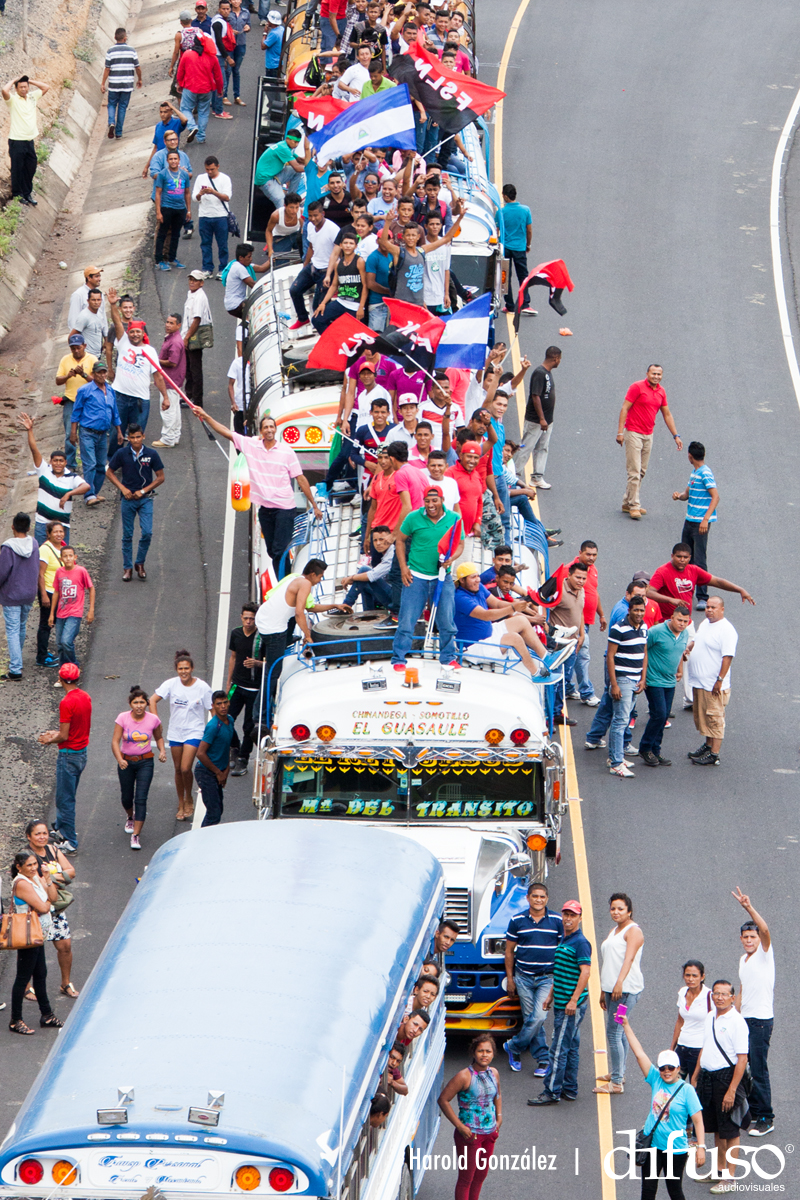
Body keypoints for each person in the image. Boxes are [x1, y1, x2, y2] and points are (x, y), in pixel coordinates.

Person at [190, 409, 322, 576]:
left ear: (275, 429)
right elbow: (225, 432)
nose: (269, 430)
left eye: (272, 427)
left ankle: (285, 583)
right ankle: (286, 578)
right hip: (266, 509)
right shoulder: (251, 446)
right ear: (261, 431)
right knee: (272, 551)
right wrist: (206, 415)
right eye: (266, 427)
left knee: (279, 550)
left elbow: (300, 478)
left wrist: (314, 505)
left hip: (284, 509)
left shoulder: (287, 452)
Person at [621, 1017, 706, 1200]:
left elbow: (698, 1121)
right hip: (652, 1144)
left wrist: (701, 1147)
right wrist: (626, 1025)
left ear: (678, 1068)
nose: (666, 1071)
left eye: (671, 1068)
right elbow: (639, 1054)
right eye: (663, 1068)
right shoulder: (656, 1079)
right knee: (648, 1190)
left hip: (675, 1149)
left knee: (674, 1191)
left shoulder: (687, 1090)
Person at [390, 486, 463, 670]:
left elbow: (460, 544)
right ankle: (398, 659)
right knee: (407, 620)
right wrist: (403, 568)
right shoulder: (413, 517)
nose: (431, 504)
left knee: (447, 620)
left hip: (443, 577)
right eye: (427, 501)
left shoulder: (454, 518)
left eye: (434, 500)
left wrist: (451, 558)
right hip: (416, 577)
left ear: (442, 500)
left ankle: (448, 658)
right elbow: (400, 540)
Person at [528, 900, 591, 1105]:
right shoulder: (566, 939)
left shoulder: (580, 942)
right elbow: (561, 971)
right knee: (571, 1046)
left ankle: (551, 1091)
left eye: (573, 915)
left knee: (557, 1049)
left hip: (569, 1007)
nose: (568, 919)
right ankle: (569, 1089)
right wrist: (550, 996)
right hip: (562, 1001)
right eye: (566, 914)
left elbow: (585, 973)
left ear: (580, 918)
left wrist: (573, 1001)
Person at [691, 980, 750, 1194]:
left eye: (725, 994)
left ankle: (730, 1177)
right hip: (708, 1078)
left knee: (730, 1129)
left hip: (726, 1079)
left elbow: (742, 1059)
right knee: (716, 1128)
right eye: (716, 993)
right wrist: (695, 1076)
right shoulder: (710, 1017)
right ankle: (718, 1170)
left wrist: (732, 1090)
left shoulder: (737, 1022)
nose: (720, 997)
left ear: (732, 998)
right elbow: (705, 1047)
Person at [503, 881, 563, 1077]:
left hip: (547, 978)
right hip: (523, 979)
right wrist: (510, 979)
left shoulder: (557, 920)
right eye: (535, 896)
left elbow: (563, 951)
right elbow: (509, 951)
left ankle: (513, 1046)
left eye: (542, 897)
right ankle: (543, 1060)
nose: (538, 900)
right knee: (532, 1020)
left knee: (538, 1017)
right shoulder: (517, 920)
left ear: (547, 899)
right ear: (527, 898)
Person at [453, 563, 548, 679]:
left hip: (488, 635)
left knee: (521, 620)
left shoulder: (478, 587)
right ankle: (536, 673)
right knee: (514, 638)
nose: (478, 579)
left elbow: (497, 603)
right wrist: (513, 608)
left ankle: (546, 656)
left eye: (477, 576)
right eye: (473, 577)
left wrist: (518, 606)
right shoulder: (460, 597)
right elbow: (486, 615)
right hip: (473, 647)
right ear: (462, 580)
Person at [150, 650, 213, 820]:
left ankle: (189, 797)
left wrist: (214, 733)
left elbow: (212, 710)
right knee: (177, 769)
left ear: (192, 668)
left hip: (194, 731)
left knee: (186, 768)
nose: (183, 672)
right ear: (176, 669)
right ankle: (181, 802)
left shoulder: (202, 687)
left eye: (186, 668)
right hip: (176, 732)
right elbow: (152, 700)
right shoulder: (171, 684)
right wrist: (156, 721)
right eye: (180, 669)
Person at [438, 1035, 502, 1200]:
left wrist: (499, 1117)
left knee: (480, 1176)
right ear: (473, 1053)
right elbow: (443, 1100)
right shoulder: (464, 1076)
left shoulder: (494, 1073)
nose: (484, 1055)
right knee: (466, 1179)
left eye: (488, 1051)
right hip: (469, 1135)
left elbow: (497, 1095)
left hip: (489, 1134)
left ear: (493, 1053)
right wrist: (460, 1126)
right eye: (480, 1051)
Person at [732, 887, 774, 1137]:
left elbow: (766, 930)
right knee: (745, 1066)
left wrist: (748, 907)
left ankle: (767, 1117)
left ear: (759, 940)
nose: (749, 940)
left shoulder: (764, 954)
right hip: (745, 1020)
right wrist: (733, 1016)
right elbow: (742, 989)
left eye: (753, 937)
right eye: (745, 937)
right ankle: (755, 1111)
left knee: (758, 1069)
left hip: (760, 1021)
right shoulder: (743, 960)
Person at [594, 892, 645, 1094]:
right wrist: (603, 990)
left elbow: (628, 959)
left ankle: (616, 1082)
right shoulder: (614, 930)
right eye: (613, 908)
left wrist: (619, 983)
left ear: (629, 911)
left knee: (614, 1032)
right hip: (611, 990)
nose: (616, 912)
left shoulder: (634, 931)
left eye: (620, 909)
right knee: (619, 1031)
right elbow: (608, 962)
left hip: (624, 992)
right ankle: (619, 1072)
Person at [38, 662, 92, 854]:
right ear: (77, 677)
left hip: (68, 755)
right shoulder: (85, 697)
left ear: (61, 679)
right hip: (81, 752)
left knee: (64, 799)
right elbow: (77, 727)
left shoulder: (66, 702)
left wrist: (50, 739)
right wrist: (57, 734)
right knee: (67, 794)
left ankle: (70, 840)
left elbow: (64, 735)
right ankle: (59, 826)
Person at [617, 365, 683, 520]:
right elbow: (625, 408)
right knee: (634, 471)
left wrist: (676, 435)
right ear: (647, 373)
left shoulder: (661, 392)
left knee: (641, 471)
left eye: (659, 374)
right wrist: (620, 432)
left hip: (648, 434)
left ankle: (627, 501)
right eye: (653, 373)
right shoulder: (636, 387)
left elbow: (667, 414)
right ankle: (634, 505)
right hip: (633, 432)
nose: (656, 376)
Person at [7, 852, 62, 1036]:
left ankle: (47, 1015)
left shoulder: (35, 878)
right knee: (23, 978)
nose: (33, 868)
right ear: (19, 867)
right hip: (28, 936)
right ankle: (15, 1020)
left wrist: (47, 878)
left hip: (38, 935)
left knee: (40, 974)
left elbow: (53, 897)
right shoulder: (22, 883)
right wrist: (46, 900)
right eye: (29, 865)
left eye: (34, 864)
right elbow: (44, 907)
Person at [24, 819, 78, 999]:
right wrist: (58, 877)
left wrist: (50, 878)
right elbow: (30, 879)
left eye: (45, 833)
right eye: (37, 834)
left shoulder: (53, 850)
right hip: (35, 908)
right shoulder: (25, 855)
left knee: (65, 945)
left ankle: (65, 983)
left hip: (55, 906)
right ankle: (26, 986)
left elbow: (71, 871)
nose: (42, 837)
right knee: (30, 950)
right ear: (29, 836)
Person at [105, 426, 165, 582]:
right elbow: (109, 472)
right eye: (132, 437)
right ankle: (127, 567)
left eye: (138, 437)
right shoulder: (122, 453)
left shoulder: (151, 454)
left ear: (143, 436)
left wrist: (143, 491)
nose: (135, 440)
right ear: (128, 438)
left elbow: (160, 477)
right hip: (128, 499)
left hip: (145, 499)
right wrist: (123, 489)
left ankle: (140, 563)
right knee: (127, 534)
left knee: (147, 532)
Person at [685, 597, 739, 767]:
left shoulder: (727, 630)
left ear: (722, 609)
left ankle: (714, 754)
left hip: (713, 685)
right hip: (700, 683)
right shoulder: (705, 624)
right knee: (705, 717)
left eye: (713, 607)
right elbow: (697, 640)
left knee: (715, 719)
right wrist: (688, 648)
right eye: (707, 607)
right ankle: (708, 747)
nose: (709, 610)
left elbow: (727, 657)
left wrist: (719, 680)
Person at [112, 686, 167, 849]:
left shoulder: (153, 719)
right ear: (130, 704)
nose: (139, 706)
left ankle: (135, 835)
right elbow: (115, 741)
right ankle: (130, 816)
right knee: (126, 797)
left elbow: (159, 737)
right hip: (126, 762)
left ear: (146, 704)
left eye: (142, 702)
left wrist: (162, 751)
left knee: (141, 798)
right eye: (135, 702)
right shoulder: (122, 718)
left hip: (145, 762)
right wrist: (120, 759)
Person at [638, 604, 691, 767]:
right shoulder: (656, 631)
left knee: (664, 715)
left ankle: (656, 750)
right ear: (672, 618)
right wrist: (643, 677)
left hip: (670, 681)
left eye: (685, 621)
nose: (682, 624)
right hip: (653, 679)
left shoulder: (684, 634)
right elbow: (643, 650)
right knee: (659, 714)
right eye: (679, 620)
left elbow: (681, 652)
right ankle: (645, 748)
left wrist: (680, 670)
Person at [107, 297, 169, 436]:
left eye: (138, 332)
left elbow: (158, 377)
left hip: (140, 400)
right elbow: (117, 322)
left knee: (137, 436)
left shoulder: (150, 351)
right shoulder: (123, 342)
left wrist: (165, 397)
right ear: (127, 333)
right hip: (120, 397)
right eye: (132, 332)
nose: (135, 335)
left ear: (143, 333)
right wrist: (113, 305)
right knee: (116, 434)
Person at [647, 544, 754, 622]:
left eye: (685, 557)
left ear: (690, 557)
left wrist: (740, 590)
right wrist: (671, 600)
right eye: (679, 557)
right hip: (667, 622)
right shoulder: (662, 571)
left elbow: (717, 581)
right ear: (672, 556)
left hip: (686, 622)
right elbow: (649, 592)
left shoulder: (693, 570)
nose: (682, 560)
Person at [672, 441, 719, 611]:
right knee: (685, 557)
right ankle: (685, 591)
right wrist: (679, 496)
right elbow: (687, 494)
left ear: (690, 456)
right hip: (689, 520)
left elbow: (715, 496)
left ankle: (702, 596)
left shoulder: (705, 473)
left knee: (699, 559)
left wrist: (705, 520)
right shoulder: (694, 473)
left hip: (700, 523)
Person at [605, 594, 648, 777]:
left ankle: (615, 757)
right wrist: (614, 684)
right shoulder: (618, 628)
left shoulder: (644, 627)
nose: (639, 613)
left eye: (642, 610)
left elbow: (644, 653)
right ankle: (616, 763)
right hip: (623, 680)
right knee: (620, 721)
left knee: (624, 719)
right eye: (636, 610)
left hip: (636, 681)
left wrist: (643, 679)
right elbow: (610, 656)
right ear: (629, 610)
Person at [70, 360, 123, 505]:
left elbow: (115, 412)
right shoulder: (85, 390)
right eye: (99, 373)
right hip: (87, 432)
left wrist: (119, 431)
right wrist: (73, 432)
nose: (102, 375)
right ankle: (89, 495)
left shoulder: (110, 390)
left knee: (101, 465)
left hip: (103, 434)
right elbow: (76, 412)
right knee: (90, 464)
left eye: (104, 372)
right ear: (93, 374)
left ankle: (94, 492)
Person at [0, 512, 42, 681]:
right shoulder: (34, 543)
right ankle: (17, 660)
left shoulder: (8, 548)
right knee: (21, 626)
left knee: (12, 630)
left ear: (13, 527)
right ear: (29, 527)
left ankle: (15, 669)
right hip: (29, 593)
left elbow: (2, 573)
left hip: (12, 594)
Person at [513, 346, 561, 490]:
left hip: (547, 420)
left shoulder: (547, 373)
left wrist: (546, 420)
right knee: (526, 448)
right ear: (555, 358)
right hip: (536, 420)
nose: (560, 362)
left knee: (542, 448)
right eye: (559, 359)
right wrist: (541, 418)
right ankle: (514, 476)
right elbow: (535, 396)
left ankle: (537, 477)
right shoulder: (539, 373)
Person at [288, 200, 340, 330]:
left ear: (323, 214)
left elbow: (338, 252)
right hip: (313, 266)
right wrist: (305, 265)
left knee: (318, 308)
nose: (313, 219)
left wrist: (333, 275)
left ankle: (327, 327)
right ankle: (302, 318)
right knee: (294, 290)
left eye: (316, 215)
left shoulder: (333, 229)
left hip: (327, 271)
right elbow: (311, 247)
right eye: (310, 216)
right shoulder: (310, 226)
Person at [565, 541, 605, 706]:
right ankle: (587, 693)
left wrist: (601, 615)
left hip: (586, 622)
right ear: (580, 552)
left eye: (594, 555)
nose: (591, 558)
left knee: (573, 657)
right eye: (588, 554)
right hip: (574, 624)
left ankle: (567, 689)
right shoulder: (569, 570)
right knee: (582, 658)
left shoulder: (592, 570)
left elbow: (594, 592)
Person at [226, 602, 263, 776]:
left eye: (252, 619)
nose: (248, 622)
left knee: (249, 726)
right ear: (241, 617)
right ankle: (234, 746)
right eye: (246, 618)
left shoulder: (262, 637)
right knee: (226, 718)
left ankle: (243, 758)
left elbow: (270, 662)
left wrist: (257, 663)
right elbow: (233, 657)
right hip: (236, 685)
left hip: (254, 689)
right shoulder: (236, 633)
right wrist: (228, 682)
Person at [2, 75, 50, 205]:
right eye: (21, 87)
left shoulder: (32, 97)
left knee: (30, 167)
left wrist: (30, 81)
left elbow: (46, 87)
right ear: (16, 89)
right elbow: (4, 91)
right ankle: (18, 194)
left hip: (29, 140)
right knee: (17, 169)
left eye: (25, 86)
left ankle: (27, 193)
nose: (23, 89)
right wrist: (13, 80)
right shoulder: (12, 100)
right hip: (17, 141)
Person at [551, 560, 588, 726]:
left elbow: (580, 612)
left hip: (572, 644)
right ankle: (549, 714)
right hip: (558, 644)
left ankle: (557, 712)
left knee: (565, 680)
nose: (581, 581)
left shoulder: (581, 591)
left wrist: (582, 634)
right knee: (555, 680)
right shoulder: (558, 592)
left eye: (584, 578)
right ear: (569, 576)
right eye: (578, 577)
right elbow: (545, 611)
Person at [52, 335, 98, 472]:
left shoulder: (92, 359)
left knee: (89, 432)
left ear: (84, 346)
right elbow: (58, 380)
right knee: (69, 434)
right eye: (73, 348)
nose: (76, 351)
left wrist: (83, 374)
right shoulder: (65, 359)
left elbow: (97, 381)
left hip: (89, 402)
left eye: (78, 347)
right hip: (71, 401)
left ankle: (90, 462)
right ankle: (71, 464)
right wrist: (68, 375)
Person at [48, 545, 94, 668]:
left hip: (75, 613)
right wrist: (52, 614)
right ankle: (64, 670)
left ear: (75, 557)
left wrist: (91, 610)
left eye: (70, 556)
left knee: (66, 641)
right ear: (61, 558)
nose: (68, 558)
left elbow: (91, 588)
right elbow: (56, 592)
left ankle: (74, 666)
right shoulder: (59, 572)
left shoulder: (81, 571)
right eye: (65, 556)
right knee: (59, 644)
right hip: (60, 613)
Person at [178, 25, 224, 144]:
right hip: (206, 89)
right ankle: (201, 137)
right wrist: (220, 90)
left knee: (185, 108)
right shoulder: (212, 57)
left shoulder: (187, 54)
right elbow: (218, 76)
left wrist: (180, 84)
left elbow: (180, 71)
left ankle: (192, 127)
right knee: (203, 112)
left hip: (190, 87)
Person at [195, 691, 235, 826]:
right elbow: (200, 753)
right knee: (213, 813)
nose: (223, 706)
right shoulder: (213, 726)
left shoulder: (230, 720)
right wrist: (218, 773)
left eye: (225, 702)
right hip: (206, 773)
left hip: (220, 771)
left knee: (218, 810)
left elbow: (227, 747)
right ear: (213, 706)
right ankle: (202, 837)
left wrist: (226, 771)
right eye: (219, 704)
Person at [671, 960, 712, 1088]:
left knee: (696, 1088)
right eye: (687, 975)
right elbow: (680, 1021)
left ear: (702, 977)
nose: (690, 979)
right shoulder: (682, 992)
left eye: (694, 976)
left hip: (698, 1050)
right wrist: (672, 1049)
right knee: (674, 1086)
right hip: (682, 1048)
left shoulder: (709, 996)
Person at [193, 155, 233, 278]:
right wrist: (200, 194)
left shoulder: (225, 179)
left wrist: (213, 192)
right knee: (205, 244)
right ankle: (207, 268)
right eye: (207, 169)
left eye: (212, 169)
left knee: (222, 244)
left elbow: (227, 197)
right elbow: (194, 198)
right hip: (204, 216)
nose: (209, 172)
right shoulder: (200, 178)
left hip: (221, 216)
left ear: (218, 167)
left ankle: (223, 269)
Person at [341, 525, 394, 610]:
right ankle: (368, 613)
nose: (378, 543)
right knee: (363, 582)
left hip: (397, 598)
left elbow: (372, 575)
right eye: (375, 540)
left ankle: (346, 605)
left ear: (390, 539)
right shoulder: (387, 553)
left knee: (364, 570)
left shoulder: (393, 554)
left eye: (381, 539)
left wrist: (351, 578)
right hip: (391, 593)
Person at [101, 28, 142, 138]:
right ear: (125, 38)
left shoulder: (110, 51)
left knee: (111, 104)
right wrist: (140, 79)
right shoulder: (132, 50)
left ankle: (111, 122)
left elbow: (107, 69)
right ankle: (118, 132)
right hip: (127, 84)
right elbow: (137, 67)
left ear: (115, 37)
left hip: (114, 84)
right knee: (122, 107)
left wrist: (103, 83)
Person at [154, 150, 192, 269]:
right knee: (162, 234)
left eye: (175, 159)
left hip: (180, 208)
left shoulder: (184, 174)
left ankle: (172, 258)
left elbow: (187, 193)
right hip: (167, 207)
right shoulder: (162, 174)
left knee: (176, 234)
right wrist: (158, 212)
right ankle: (159, 261)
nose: (173, 161)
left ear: (179, 160)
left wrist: (188, 210)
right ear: (167, 161)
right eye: (171, 159)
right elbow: (158, 193)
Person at [153, 314, 186, 448]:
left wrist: (156, 360)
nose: (168, 325)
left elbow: (172, 362)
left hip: (170, 380)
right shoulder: (173, 338)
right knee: (175, 408)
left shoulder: (175, 342)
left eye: (172, 323)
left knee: (168, 410)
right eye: (167, 322)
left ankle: (167, 439)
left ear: (178, 325)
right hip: (175, 379)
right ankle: (174, 435)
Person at [501, 183, 533, 315]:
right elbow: (529, 230)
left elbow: (497, 230)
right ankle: (525, 303)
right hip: (520, 248)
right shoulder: (525, 210)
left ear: (505, 196)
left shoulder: (501, 212)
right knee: (523, 275)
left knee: (505, 277)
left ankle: (509, 305)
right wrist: (528, 245)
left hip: (506, 248)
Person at [35, 521, 65, 669]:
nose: (59, 534)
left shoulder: (63, 548)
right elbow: (40, 574)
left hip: (59, 592)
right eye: (55, 532)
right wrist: (44, 595)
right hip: (48, 591)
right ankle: (41, 656)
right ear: (48, 534)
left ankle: (46, 652)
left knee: (55, 623)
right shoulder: (45, 550)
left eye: (61, 531)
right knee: (46, 624)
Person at [255, 128, 307, 208]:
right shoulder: (283, 148)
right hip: (265, 180)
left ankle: (291, 198)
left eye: (298, 143)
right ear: (288, 139)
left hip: (274, 175)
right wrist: (312, 169)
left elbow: (300, 160)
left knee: (295, 172)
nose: (296, 145)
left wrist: (313, 160)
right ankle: (284, 212)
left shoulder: (286, 146)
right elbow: (297, 167)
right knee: (282, 203)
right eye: (295, 142)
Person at [224, 242, 270, 317]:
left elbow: (262, 268)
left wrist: (272, 258)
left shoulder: (245, 265)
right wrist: (268, 291)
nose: (251, 259)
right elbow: (253, 285)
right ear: (241, 257)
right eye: (249, 257)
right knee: (257, 313)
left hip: (236, 302)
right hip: (235, 305)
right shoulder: (239, 268)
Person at [70, 288, 109, 358]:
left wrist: (105, 341)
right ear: (88, 301)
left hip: (97, 355)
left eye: (98, 300)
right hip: (87, 356)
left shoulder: (99, 314)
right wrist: (76, 353)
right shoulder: (84, 316)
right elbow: (72, 336)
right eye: (93, 300)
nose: (96, 302)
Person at [265, 191, 304, 262]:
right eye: (291, 207)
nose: (294, 211)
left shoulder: (301, 213)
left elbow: (304, 231)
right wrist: (270, 250)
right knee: (279, 263)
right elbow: (268, 231)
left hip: (296, 235)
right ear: (285, 206)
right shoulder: (276, 215)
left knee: (307, 253)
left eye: (297, 207)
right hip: (280, 238)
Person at [226, 0, 250, 103]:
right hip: (229, 45)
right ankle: (224, 95)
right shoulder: (227, 12)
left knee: (236, 70)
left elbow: (248, 25)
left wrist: (247, 27)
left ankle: (237, 96)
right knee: (227, 70)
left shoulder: (246, 12)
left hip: (241, 43)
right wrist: (230, 31)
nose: (236, 2)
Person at [67, 266, 103, 332]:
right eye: (96, 276)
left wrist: (105, 334)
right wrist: (76, 337)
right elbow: (73, 320)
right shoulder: (78, 295)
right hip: (84, 336)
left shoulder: (99, 294)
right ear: (89, 278)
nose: (99, 279)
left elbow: (102, 316)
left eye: (99, 276)